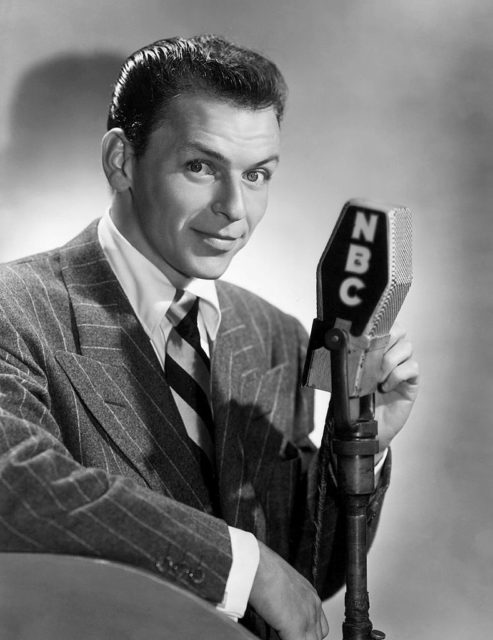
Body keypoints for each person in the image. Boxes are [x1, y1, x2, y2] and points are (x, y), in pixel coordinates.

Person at [0, 35, 419, 640]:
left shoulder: (275, 336)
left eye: (256, 174)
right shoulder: (15, 310)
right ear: (121, 160)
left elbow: (306, 580)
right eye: (201, 167)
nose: (234, 208)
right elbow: (17, 490)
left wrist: (360, 444)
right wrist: (241, 565)